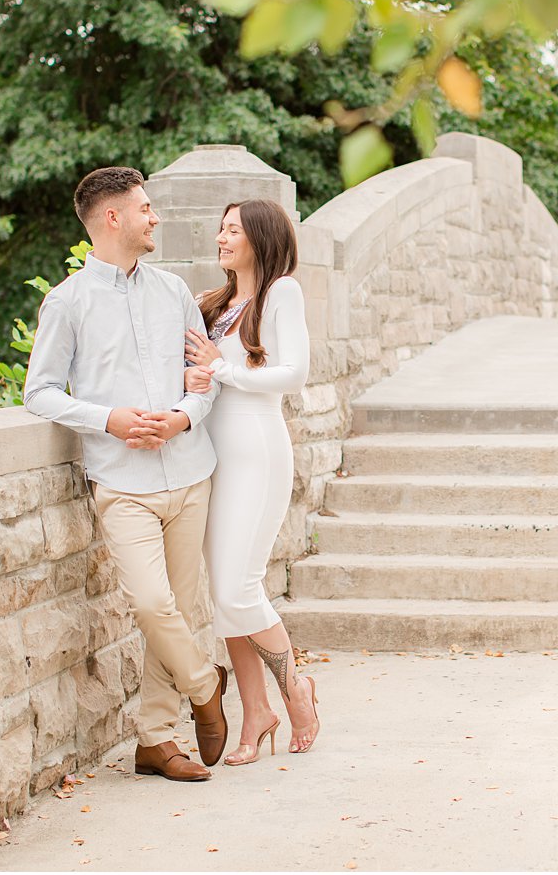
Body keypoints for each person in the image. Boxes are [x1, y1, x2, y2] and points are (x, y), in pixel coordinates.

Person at [23, 166, 229, 783]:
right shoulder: (67, 302)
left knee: (184, 609)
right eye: (144, 208)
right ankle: (204, 686)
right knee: (150, 602)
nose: (154, 217)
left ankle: (156, 741)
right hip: (122, 483)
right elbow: (39, 393)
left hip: (190, 473)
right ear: (112, 218)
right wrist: (107, 418)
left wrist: (182, 419)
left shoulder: (174, 294)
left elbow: (205, 381)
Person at [182, 198, 320, 763]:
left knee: (238, 588)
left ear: (260, 238)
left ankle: (297, 691)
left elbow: (295, 373)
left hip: (256, 452)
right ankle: (255, 712)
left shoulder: (280, 293)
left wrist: (222, 368)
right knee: (224, 595)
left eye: (232, 229)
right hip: (213, 453)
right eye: (219, 227)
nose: (220, 237)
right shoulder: (213, 304)